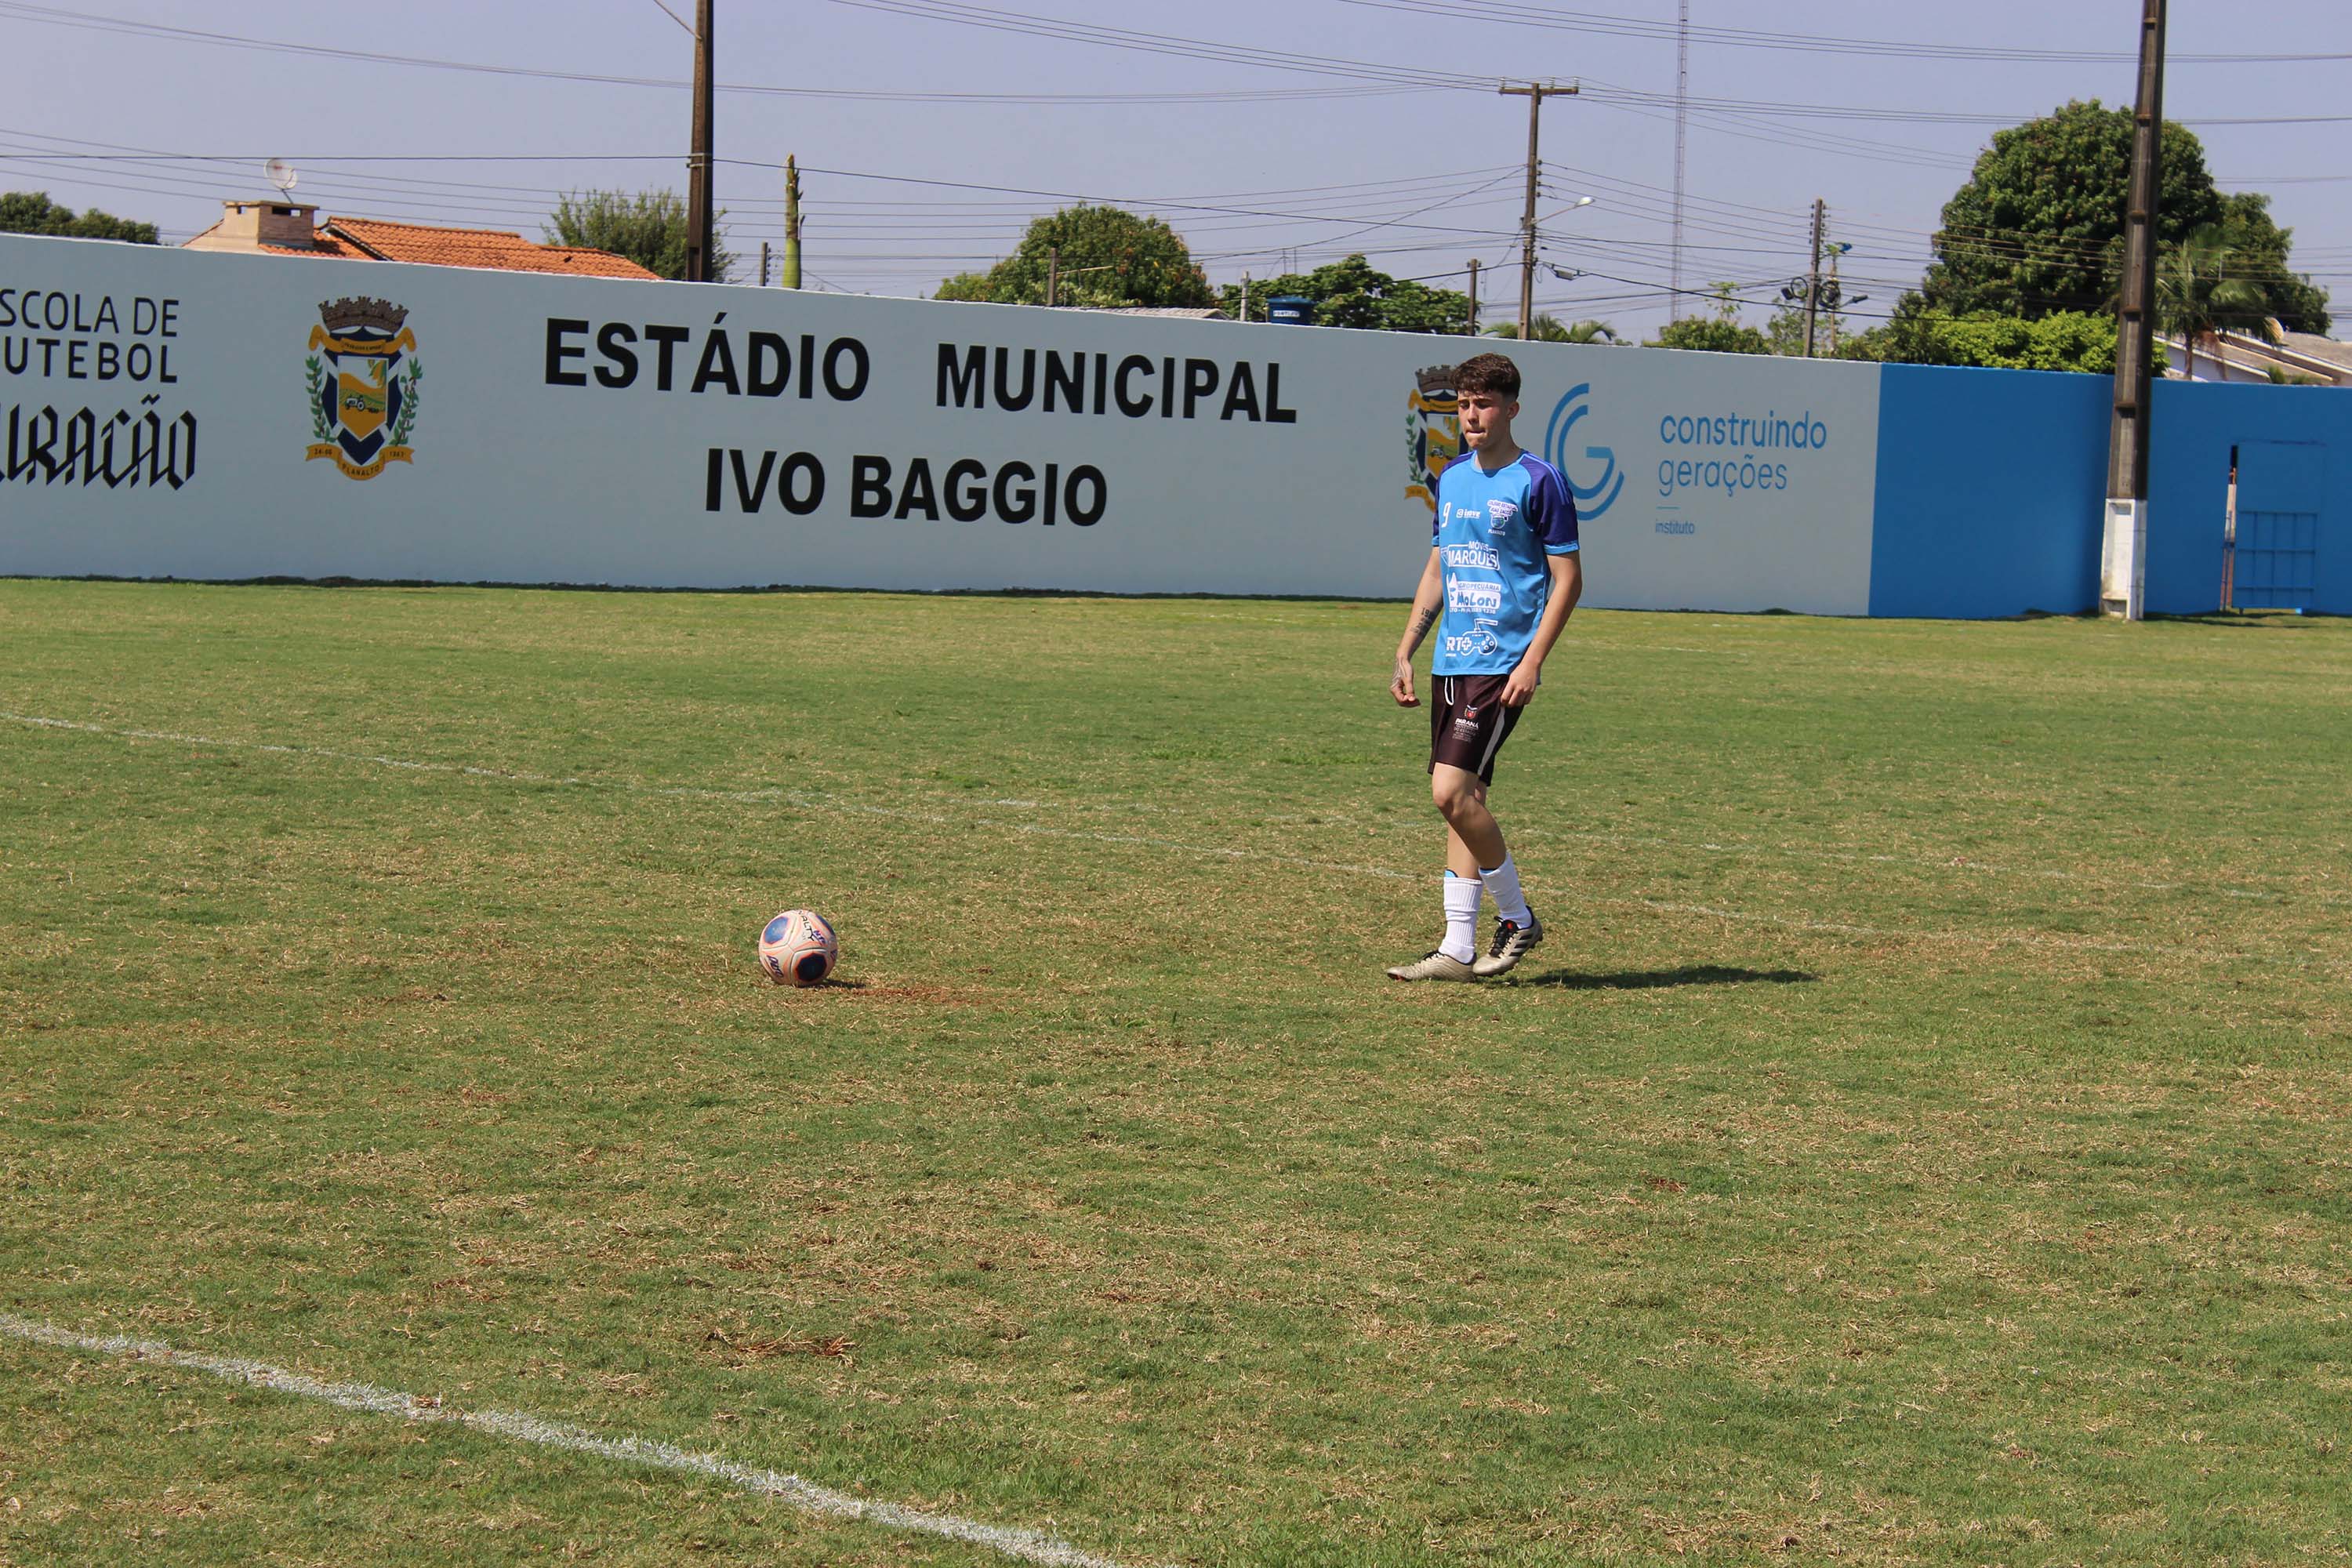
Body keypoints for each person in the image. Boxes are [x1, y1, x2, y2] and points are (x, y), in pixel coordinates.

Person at [1386, 351, 1581, 982]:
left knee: (1448, 791)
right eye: (1465, 404)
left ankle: (1520, 919)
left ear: (1511, 409)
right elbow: (1440, 567)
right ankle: (1457, 947)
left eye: (1484, 404)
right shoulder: (1451, 478)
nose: (1471, 415)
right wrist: (1407, 648)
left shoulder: (1539, 480)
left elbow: (1568, 579)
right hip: (1452, 658)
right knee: (1462, 799)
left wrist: (1533, 661)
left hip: (1501, 664)